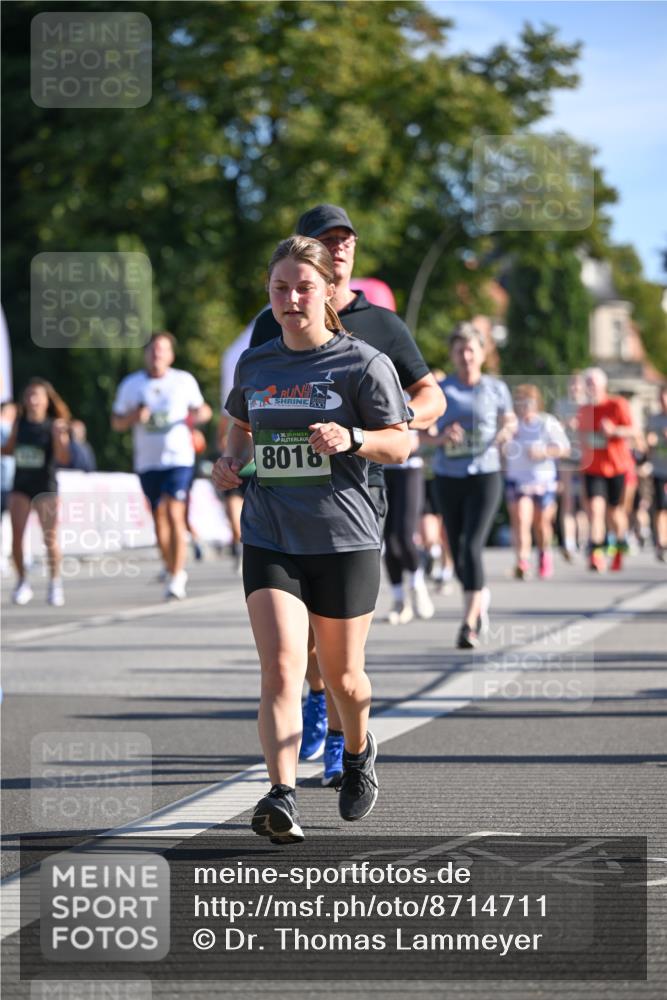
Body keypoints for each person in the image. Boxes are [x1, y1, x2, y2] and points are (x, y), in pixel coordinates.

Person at [213, 235, 411, 842]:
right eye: (280, 288)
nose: (291, 298)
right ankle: (280, 794)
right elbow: (240, 430)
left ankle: (356, 750)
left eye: (303, 287)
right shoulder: (257, 362)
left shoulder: (363, 363)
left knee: (345, 677)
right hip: (271, 532)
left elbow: (401, 443)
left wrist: (351, 439)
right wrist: (228, 464)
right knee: (280, 668)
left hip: (344, 536)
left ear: (328, 291)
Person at [248, 204, 445, 785]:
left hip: (353, 496)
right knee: (292, 647)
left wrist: (382, 425)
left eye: (345, 240)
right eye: (325, 240)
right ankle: (303, 725)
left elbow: (429, 396)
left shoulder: (380, 329)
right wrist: (234, 457)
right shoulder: (272, 322)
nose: (338, 248)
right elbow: (247, 406)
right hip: (277, 509)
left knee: (339, 657)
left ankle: (343, 734)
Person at [431, 323, 515, 648]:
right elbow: (420, 431)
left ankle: (469, 624)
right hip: (448, 475)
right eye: (459, 350)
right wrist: (441, 437)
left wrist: (506, 431)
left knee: (470, 545)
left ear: (482, 354)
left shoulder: (495, 388)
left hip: (485, 473)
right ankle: (479, 597)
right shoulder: (442, 389)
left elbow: (509, 419)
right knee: (455, 549)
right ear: (452, 354)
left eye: (471, 350)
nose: (466, 356)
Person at [111, 331, 212, 599]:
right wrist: (134, 416)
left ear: (171, 355)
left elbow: (204, 410)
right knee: (159, 520)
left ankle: (178, 576)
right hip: (147, 462)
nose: (157, 355)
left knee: (174, 513)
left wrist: (195, 418)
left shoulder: (183, 381)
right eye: (152, 350)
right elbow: (117, 422)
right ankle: (171, 567)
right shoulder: (132, 384)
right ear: (145, 354)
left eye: (162, 350)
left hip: (179, 458)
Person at [1, 379, 70, 606]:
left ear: (46, 400)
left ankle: (55, 583)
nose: (32, 400)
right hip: (21, 485)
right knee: (16, 538)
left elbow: (63, 458)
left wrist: (60, 438)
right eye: (29, 395)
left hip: (45, 487)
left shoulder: (53, 425)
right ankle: (22, 582)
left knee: (49, 537)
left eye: (37, 396)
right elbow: (9, 450)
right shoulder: (19, 425)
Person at [504, 384, 570, 580]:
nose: (524, 406)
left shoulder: (547, 422)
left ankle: (543, 554)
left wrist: (544, 452)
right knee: (521, 520)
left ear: (536, 403)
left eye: (528, 402)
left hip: (543, 480)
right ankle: (522, 561)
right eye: (520, 402)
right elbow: (499, 445)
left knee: (541, 524)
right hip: (518, 480)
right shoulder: (512, 424)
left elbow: (565, 448)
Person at [578, 367, 636, 572]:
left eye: (594, 384)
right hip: (593, 468)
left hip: (617, 466)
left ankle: (619, 545)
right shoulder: (584, 411)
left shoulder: (617, 404)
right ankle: (596, 554)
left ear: (603, 385)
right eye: (588, 384)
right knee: (595, 510)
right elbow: (582, 439)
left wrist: (614, 430)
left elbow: (633, 430)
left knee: (614, 513)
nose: (590, 388)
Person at [383, 426, 434, 624]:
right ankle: (398, 601)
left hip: (409, 468)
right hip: (382, 469)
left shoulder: (412, 394)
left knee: (404, 535)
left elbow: (430, 429)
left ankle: (417, 586)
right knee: (388, 539)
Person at [646, 383, 667, 561]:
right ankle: (661, 543)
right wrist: (649, 443)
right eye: (661, 397)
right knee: (660, 507)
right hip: (660, 469)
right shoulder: (654, 420)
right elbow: (645, 444)